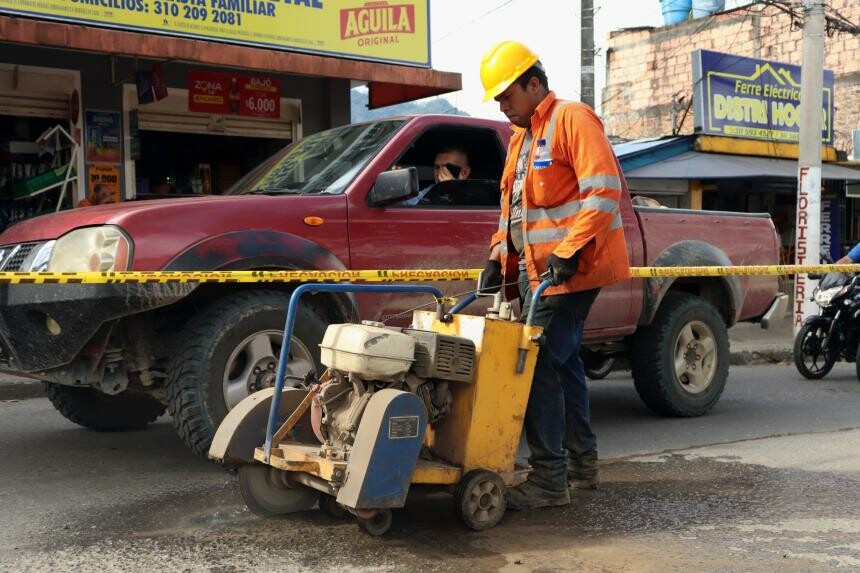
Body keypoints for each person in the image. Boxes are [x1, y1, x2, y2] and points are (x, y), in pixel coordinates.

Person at [477, 40, 631, 510]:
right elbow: (515, 213)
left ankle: (549, 479)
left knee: (536, 362)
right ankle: (581, 468)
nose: (503, 107)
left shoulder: (572, 118)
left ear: (535, 84)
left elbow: (604, 192)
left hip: (571, 271)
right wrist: (497, 257)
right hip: (534, 272)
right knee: (562, 364)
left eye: (508, 96)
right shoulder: (521, 140)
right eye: (499, 100)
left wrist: (568, 252)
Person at [399, 146, 472, 206]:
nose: (439, 173)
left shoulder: (475, 192)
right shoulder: (432, 189)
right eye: (437, 167)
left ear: (464, 172)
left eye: (447, 167)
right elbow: (409, 204)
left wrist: (449, 189)